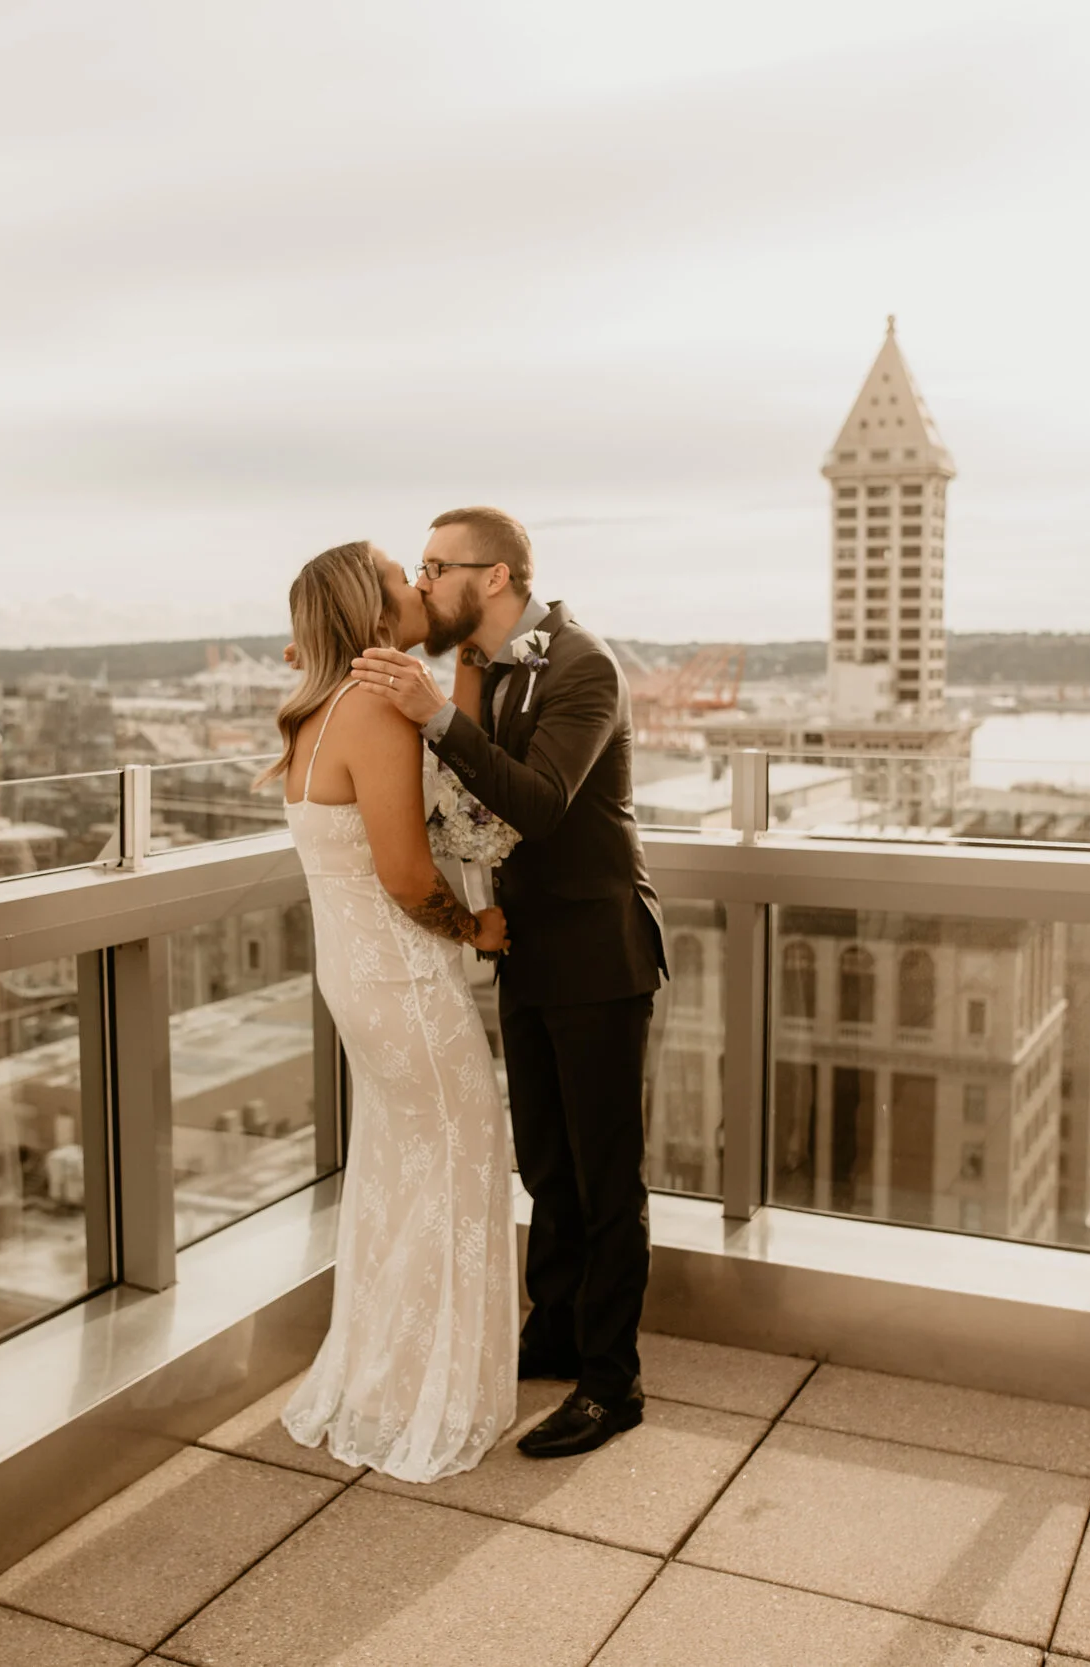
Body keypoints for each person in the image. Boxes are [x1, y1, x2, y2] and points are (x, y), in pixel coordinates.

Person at [352, 506, 665, 1460]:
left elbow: (534, 801)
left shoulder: (583, 663)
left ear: (494, 577)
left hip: (601, 956)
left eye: (437, 565)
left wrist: (434, 717)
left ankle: (614, 1383)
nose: (424, 577)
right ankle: (558, 1327)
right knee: (547, 1163)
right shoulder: (484, 667)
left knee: (608, 1177)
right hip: (524, 948)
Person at [265, 540, 518, 1484]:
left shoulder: (313, 711)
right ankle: (433, 1388)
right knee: (461, 1160)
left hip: (356, 980)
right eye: (398, 575)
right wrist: (475, 930)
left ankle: (390, 1374)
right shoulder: (374, 707)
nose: (418, 583)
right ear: (369, 610)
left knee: (401, 1170)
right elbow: (409, 876)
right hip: (406, 980)